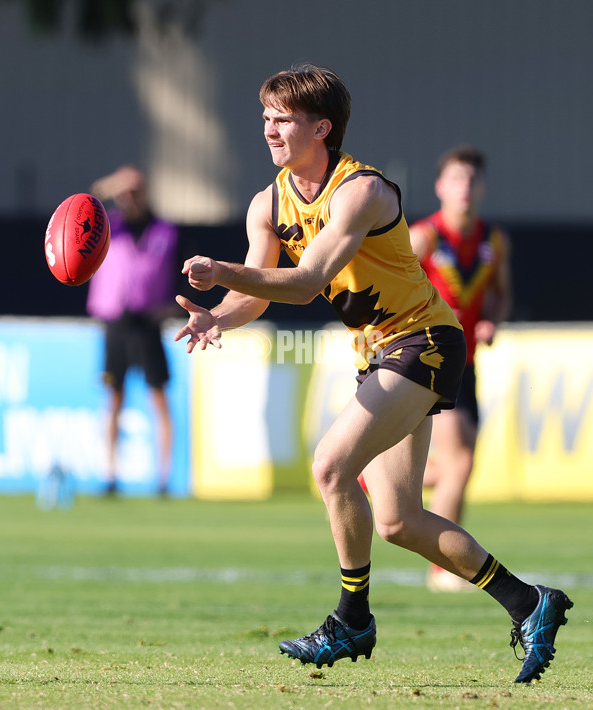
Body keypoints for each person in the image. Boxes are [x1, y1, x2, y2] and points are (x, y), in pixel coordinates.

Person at [173, 64, 572, 683]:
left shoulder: (361, 190)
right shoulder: (267, 203)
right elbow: (256, 296)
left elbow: (304, 285)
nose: (269, 130)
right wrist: (219, 317)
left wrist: (222, 272)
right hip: (379, 351)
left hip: (425, 340)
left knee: (331, 465)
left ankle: (351, 617)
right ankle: (529, 601)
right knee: (396, 521)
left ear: (322, 128)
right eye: (265, 118)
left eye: (283, 119)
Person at [408, 146, 512, 592]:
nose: (464, 188)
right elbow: (394, 289)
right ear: (440, 187)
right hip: (430, 359)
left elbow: (502, 294)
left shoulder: (494, 241)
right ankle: (443, 569)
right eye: (456, 179)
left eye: (471, 180)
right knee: (460, 461)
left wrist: (494, 320)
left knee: (458, 464)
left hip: (468, 364)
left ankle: (372, 474)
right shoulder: (424, 237)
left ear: (481, 187)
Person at [87, 165, 178, 496]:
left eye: (134, 191)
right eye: (123, 193)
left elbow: (183, 280)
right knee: (114, 397)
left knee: (159, 397)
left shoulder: (165, 231)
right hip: (115, 322)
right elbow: (85, 201)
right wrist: (113, 185)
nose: (129, 198)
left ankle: (164, 478)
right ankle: (110, 474)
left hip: (148, 324)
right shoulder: (108, 227)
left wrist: (169, 308)